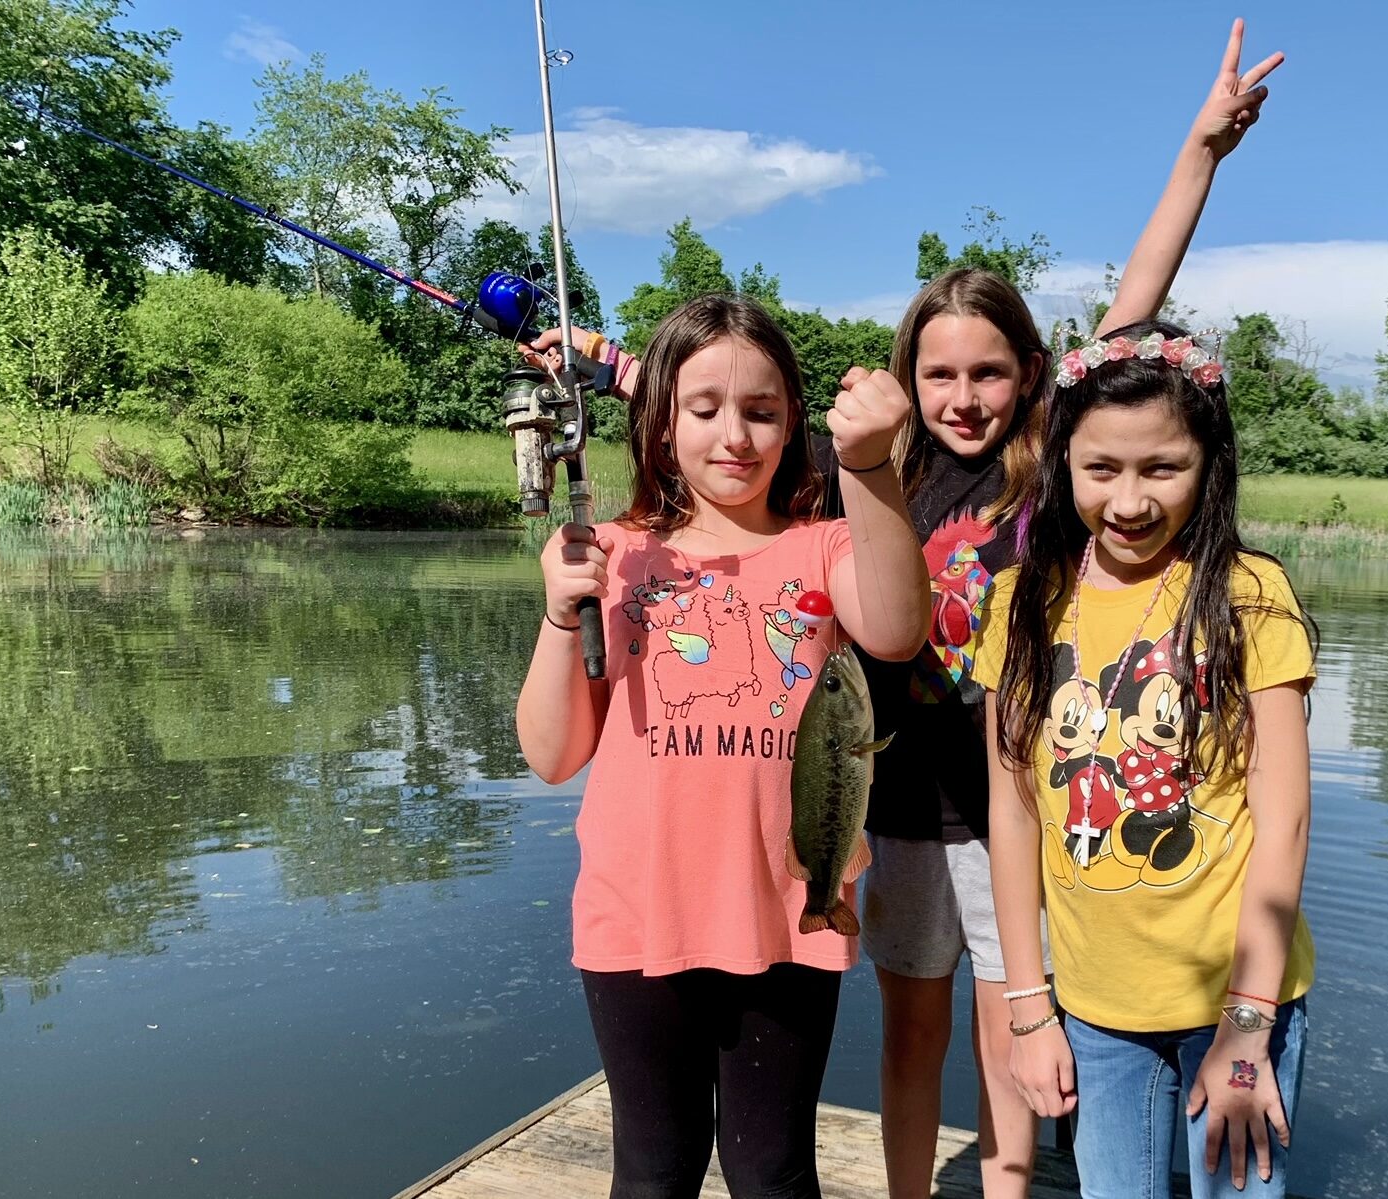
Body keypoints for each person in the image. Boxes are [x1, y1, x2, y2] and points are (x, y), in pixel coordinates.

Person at [806, 20, 1285, 1199]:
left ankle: (1011, 1187)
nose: (962, 396)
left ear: (1030, 372)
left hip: (1019, 802)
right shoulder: (872, 474)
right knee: (911, 1027)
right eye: (938, 374)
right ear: (908, 377)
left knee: (1014, 1025)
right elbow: (727, 436)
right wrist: (615, 366)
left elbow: (1137, 304)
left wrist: (1202, 150)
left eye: (988, 372)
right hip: (903, 795)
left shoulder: (1056, 466)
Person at [515, 293, 929, 1199]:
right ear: (660, 425)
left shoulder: (825, 547)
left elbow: (898, 629)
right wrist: (560, 611)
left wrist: (870, 468)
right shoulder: (613, 551)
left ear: (793, 428)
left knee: (772, 1169)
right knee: (654, 1169)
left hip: (787, 910)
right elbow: (551, 755)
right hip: (636, 914)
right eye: (704, 409)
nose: (734, 434)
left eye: (762, 410)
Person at [973, 318, 1319, 1199]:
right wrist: (1027, 1005)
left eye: (1163, 468)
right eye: (1101, 470)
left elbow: (1284, 820)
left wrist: (1249, 1029)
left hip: (1237, 1003)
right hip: (1094, 1010)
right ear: (1063, 466)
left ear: (1210, 466)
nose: (1129, 501)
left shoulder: (1249, 594)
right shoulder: (1021, 601)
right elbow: (1012, 814)